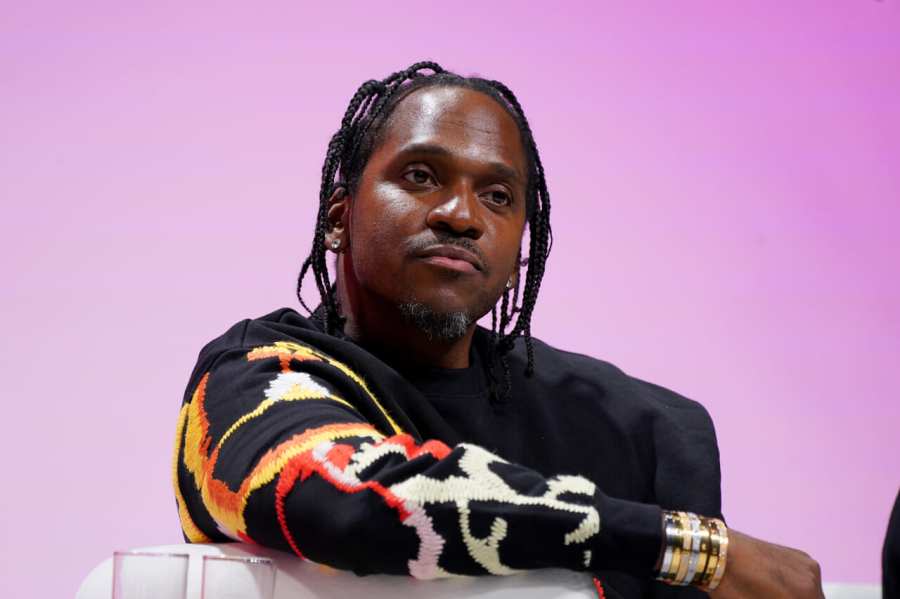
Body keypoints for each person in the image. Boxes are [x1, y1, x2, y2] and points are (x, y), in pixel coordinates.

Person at [172, 62, 823, 599]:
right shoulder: (251, 383)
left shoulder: (637, 426)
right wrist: (687, 547)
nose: (461, 215)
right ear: (339, 217)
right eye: (421, 176)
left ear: (519, 247)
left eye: (498, 195)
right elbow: (357, 503)